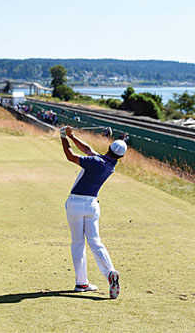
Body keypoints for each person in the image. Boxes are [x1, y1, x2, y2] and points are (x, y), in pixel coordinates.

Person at [60, 125, 127, 299]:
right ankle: (110, 272)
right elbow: (88, 149)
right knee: (95, 242)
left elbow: (71, 156)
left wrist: (62, 137)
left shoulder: (97, 161)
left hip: (76, 203)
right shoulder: (108, 164)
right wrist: (72, 136)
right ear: (121, 156)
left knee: (77, 243)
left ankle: (82, 282)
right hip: (92, 205)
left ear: (109, 148)